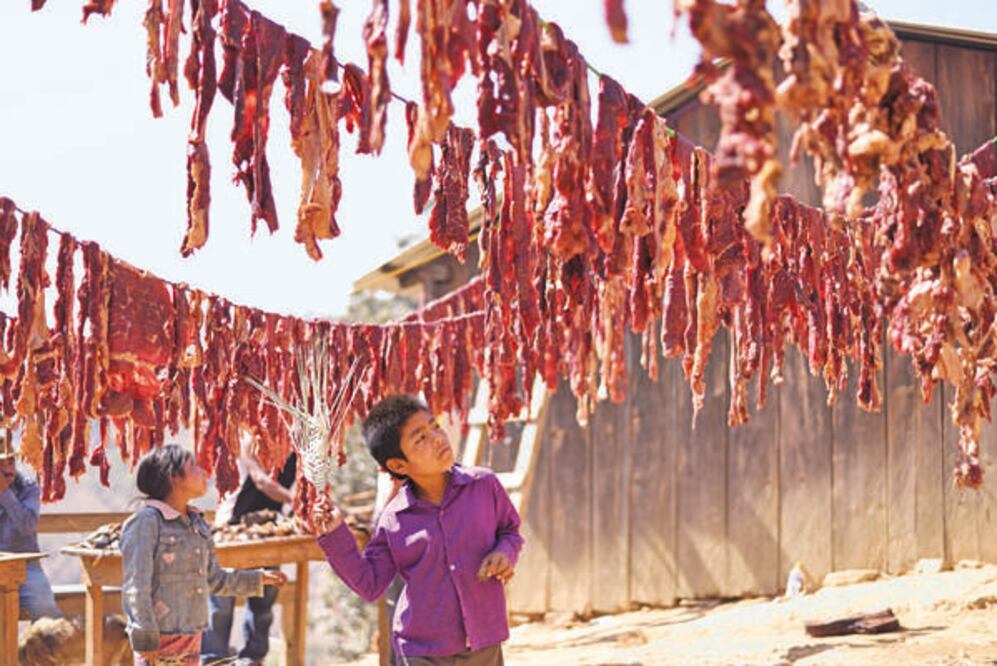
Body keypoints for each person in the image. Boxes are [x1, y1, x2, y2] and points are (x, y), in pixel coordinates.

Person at [312, 395, 524, 666]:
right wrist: (335, 534)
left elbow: (510, 530)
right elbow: (370, 583)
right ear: (399, 466)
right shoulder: (394, 520)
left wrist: (504, 552)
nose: (437, 438)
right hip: (422, 650)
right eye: (420, 439)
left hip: (483, 642)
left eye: (434, 426)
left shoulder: (483, 486)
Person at [121, 444, 287, 666]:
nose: (204, 472)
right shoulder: (146, 523)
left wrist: (258, 579)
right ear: (174, 477)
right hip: (158, 642)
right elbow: (135, 585)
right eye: (194, 467)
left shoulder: (198, 524)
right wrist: (144, 638)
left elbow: (214, 580)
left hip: (192, 638)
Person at [201, 436, 297, 666]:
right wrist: (296, 500)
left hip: (266, 529)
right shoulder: (248, 442)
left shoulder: (293, 448)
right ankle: (214, 660)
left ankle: (254, 659)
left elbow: (302, 482)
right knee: (222, 603)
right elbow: (262, 482)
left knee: (264, 598)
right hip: (232, 528)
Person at [0, 433, 61, 621]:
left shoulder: (28, 487)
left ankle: (44, 650)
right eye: (2, 464)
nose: (8, 469)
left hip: (26, 567)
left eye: (11, 462)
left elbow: (27, 525)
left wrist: (4, 493)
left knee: (46, 609)